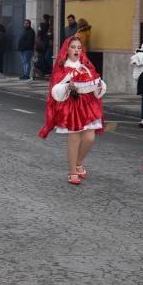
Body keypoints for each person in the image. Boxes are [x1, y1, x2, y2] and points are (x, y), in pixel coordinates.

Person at [39, 36, 107, 185]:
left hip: (88, 105)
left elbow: (97, 82)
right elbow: (55, 89)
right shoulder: (62, 68)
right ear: (67, 50)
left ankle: (79, 162)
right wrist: (67, 87)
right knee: (74, 139)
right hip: (71, 105)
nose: (76, 50)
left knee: (90, 138)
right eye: (73, 47)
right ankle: (72, 171)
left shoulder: (86, 66)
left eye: (78, 47)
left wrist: (100, 86)